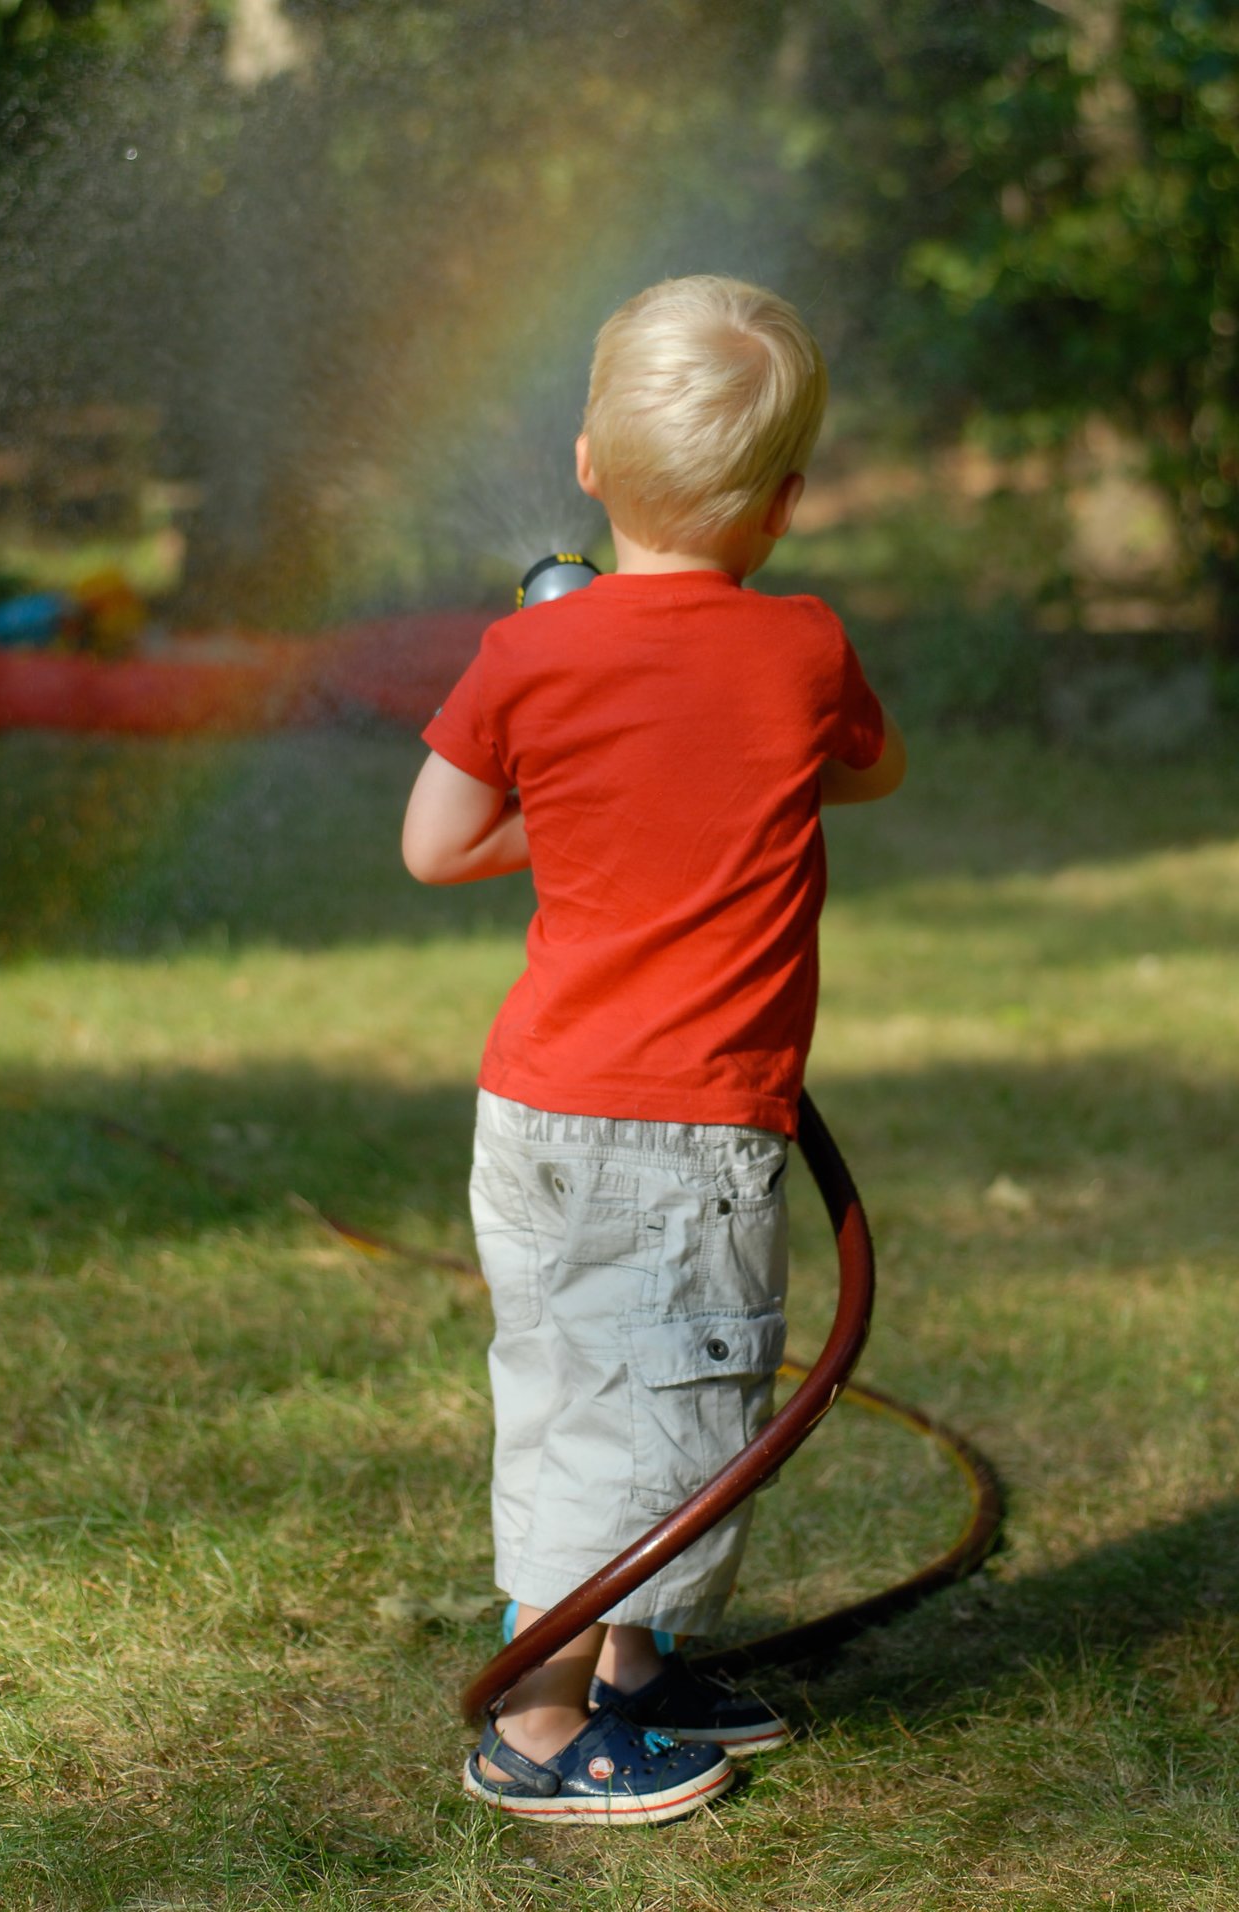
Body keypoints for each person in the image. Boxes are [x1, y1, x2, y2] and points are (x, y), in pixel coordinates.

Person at [402, 275, 906, 1825]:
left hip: (537, 1106)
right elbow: (871, 777)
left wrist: (578, 786)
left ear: (585, 465)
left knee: (581, 1388)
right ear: (785, 505)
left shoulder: (524, 651)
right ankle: (541, 1735)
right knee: (662, 1407)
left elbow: (436, 846)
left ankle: (632, 1675)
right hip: (678, 1130)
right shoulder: (804, 649)